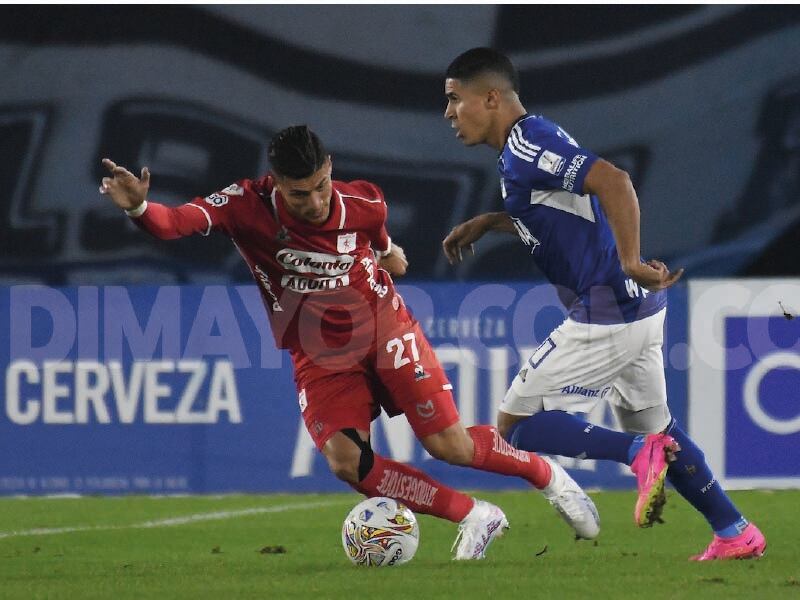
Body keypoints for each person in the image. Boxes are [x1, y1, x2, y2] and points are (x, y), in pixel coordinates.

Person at [99, 124, 605, 560]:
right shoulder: (244, 205)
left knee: (448, 445)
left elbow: (385, 248)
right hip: (319, 353)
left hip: (386, 329)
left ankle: (547, 476)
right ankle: (475, 515)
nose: (315, 202)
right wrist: (141, 206)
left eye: (321, 186)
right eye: (300, 194)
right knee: (347, 463)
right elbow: (174, 223)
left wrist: (390, 258)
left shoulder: (364, 201)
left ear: (330, 167)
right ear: (276, 184)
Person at [441, 48, 766, 561]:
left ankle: (638, 455)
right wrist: (492, 221)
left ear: (490, 97)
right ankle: (734, 531)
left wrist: (632, 258)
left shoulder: (528, 142)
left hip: (605, 308)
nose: (449, 113)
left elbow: (613, 181)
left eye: (455, 99)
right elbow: (559, 212)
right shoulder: (522, 149)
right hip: (636, 309)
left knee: (517, 425)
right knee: (661, 427)